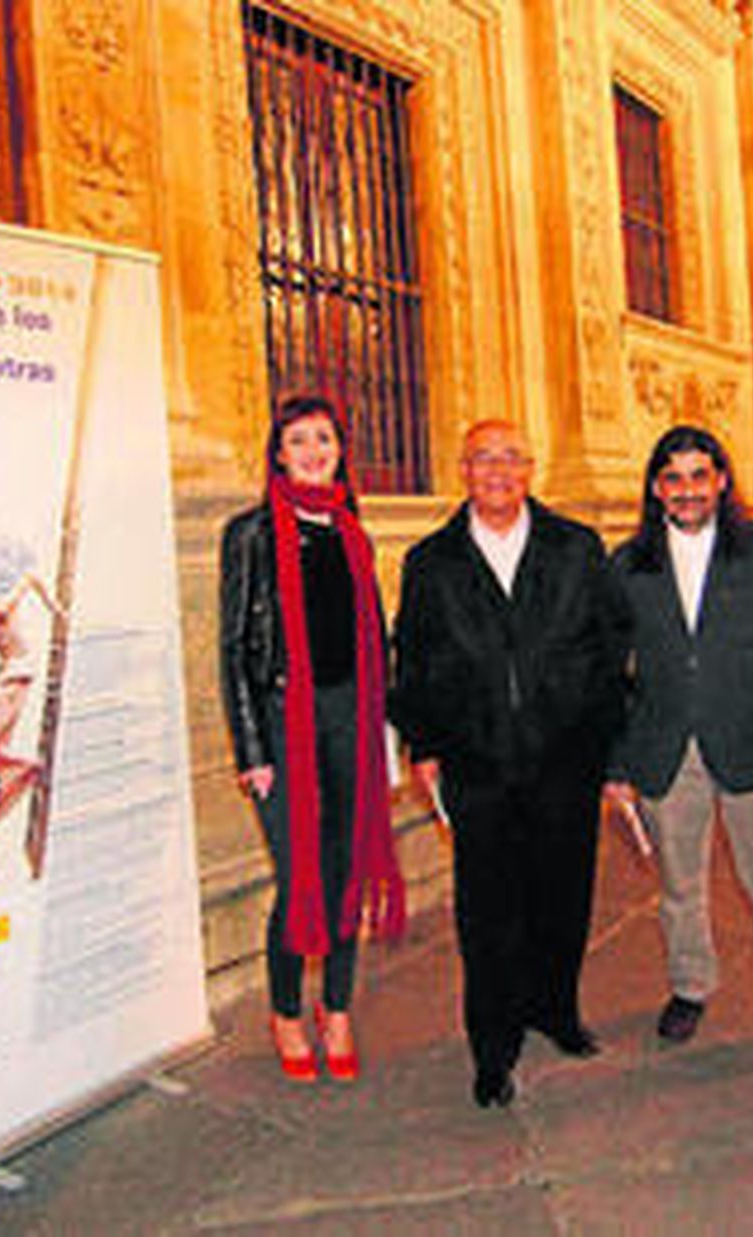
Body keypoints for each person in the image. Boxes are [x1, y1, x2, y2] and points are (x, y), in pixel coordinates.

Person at [390, 420, 626, 1108]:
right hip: (477, 761)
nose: (497, 470)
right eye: (483, 458)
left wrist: (609, 748)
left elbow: (611, 650)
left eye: (511, 457)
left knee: (563, 895)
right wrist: (423, 745)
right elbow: (414, 659)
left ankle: (555, 1009)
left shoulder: (576, 547)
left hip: (565, 757)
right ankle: (493, 1048)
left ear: (531, 468)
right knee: (488, 912)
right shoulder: (431, 560)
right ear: (463, 470)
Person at [603, 424, 753, 1075]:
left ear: (720, 480)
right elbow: (608, 672)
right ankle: (690, 986)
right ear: (657, 489)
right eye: (673, 478)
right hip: (666, 750)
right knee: (680, 886)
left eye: (699, 475)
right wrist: (617, 762)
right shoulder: (628, 564)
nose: (687, 489)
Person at [219, 392, 406, 1083]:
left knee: (346, 872)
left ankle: (337, 1008)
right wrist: (252, 751)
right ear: (278, 452)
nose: (313, 451)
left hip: (351, 717)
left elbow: (373, 638)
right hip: (282, 722)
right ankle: (286, 1013)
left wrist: (385, 729)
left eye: (323, 439)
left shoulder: (352, 529)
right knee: (299, 874)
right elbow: (234, 648)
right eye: (298, 440)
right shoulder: (250, 533)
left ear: (339, 450)